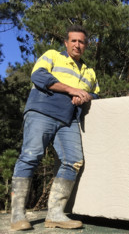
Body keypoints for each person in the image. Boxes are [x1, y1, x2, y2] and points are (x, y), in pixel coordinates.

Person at [10, 25, 100, 231]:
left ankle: (55, 214)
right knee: (31, 156)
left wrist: (85, 96)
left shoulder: (89, 72)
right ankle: (17, 215)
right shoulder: (52, 55)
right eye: (74, 41)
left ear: (86, 46)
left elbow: (95, 94)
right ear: (66, 43)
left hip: (69, 119)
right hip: (42, 111)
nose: (77, 45)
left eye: (82, 42)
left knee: (73, 161)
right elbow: (39, 76)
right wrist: (72, 89)